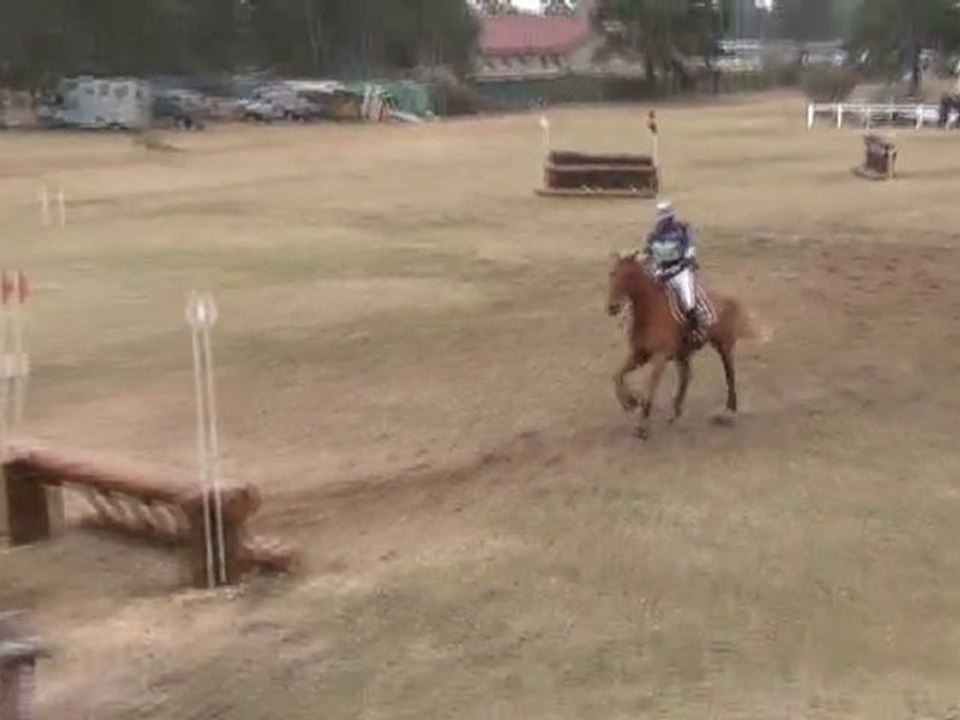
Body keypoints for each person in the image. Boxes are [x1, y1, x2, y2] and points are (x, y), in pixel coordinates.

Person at [643, 200, 701, 345]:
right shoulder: (653, 236)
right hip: (661, 271)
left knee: (688, 301)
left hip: (680, 271)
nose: (663, 221)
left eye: (665, 217)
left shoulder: (682, 230)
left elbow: (690, 248)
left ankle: (694, 330)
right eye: (661, 217)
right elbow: (648, 254)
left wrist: (689, 257)